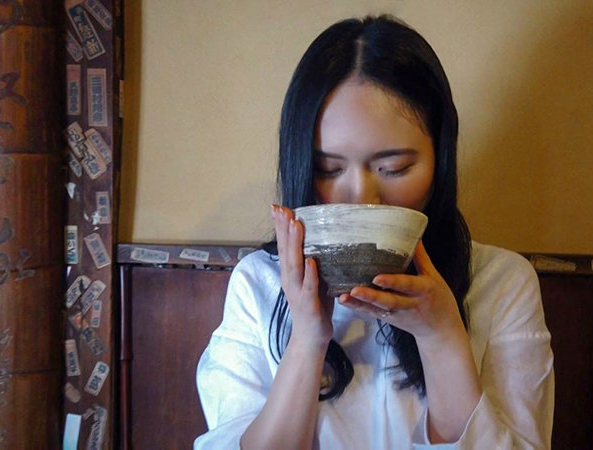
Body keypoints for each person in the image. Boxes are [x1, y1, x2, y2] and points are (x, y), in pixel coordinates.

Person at [195, 15, 553, 450]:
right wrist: (307, 339)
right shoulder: (259, 285)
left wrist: (442, 338)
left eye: (393, 168)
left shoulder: (502, 282)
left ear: (440, 160)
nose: (362, 197)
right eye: (329, 169)